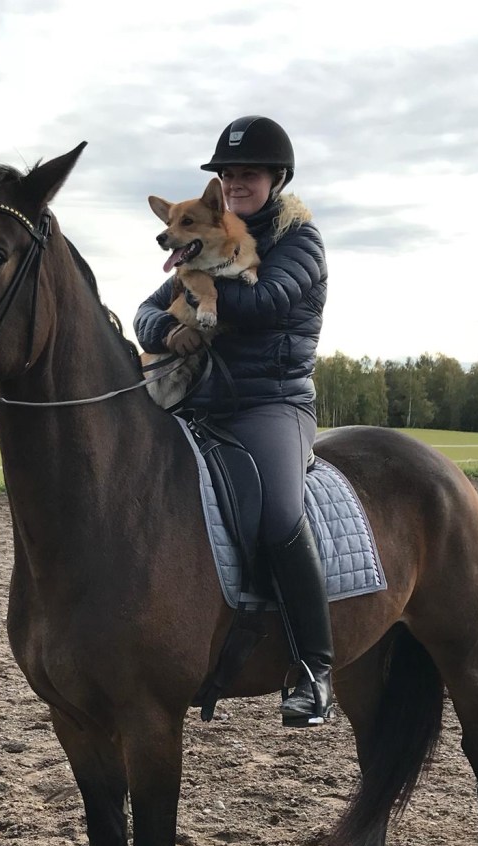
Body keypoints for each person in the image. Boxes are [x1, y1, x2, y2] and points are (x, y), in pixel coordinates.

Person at [134, 115, 333, 727]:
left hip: (271, 402)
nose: (237, 182)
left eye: (249, 173)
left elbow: (267, 301)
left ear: (276, 179)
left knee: (277, 514)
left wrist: (197, 293)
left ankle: (314, 668)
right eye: (228, 173)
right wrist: (169, 331)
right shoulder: (196, 247)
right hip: (199, 402)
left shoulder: (300, 242)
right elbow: (145, 313)